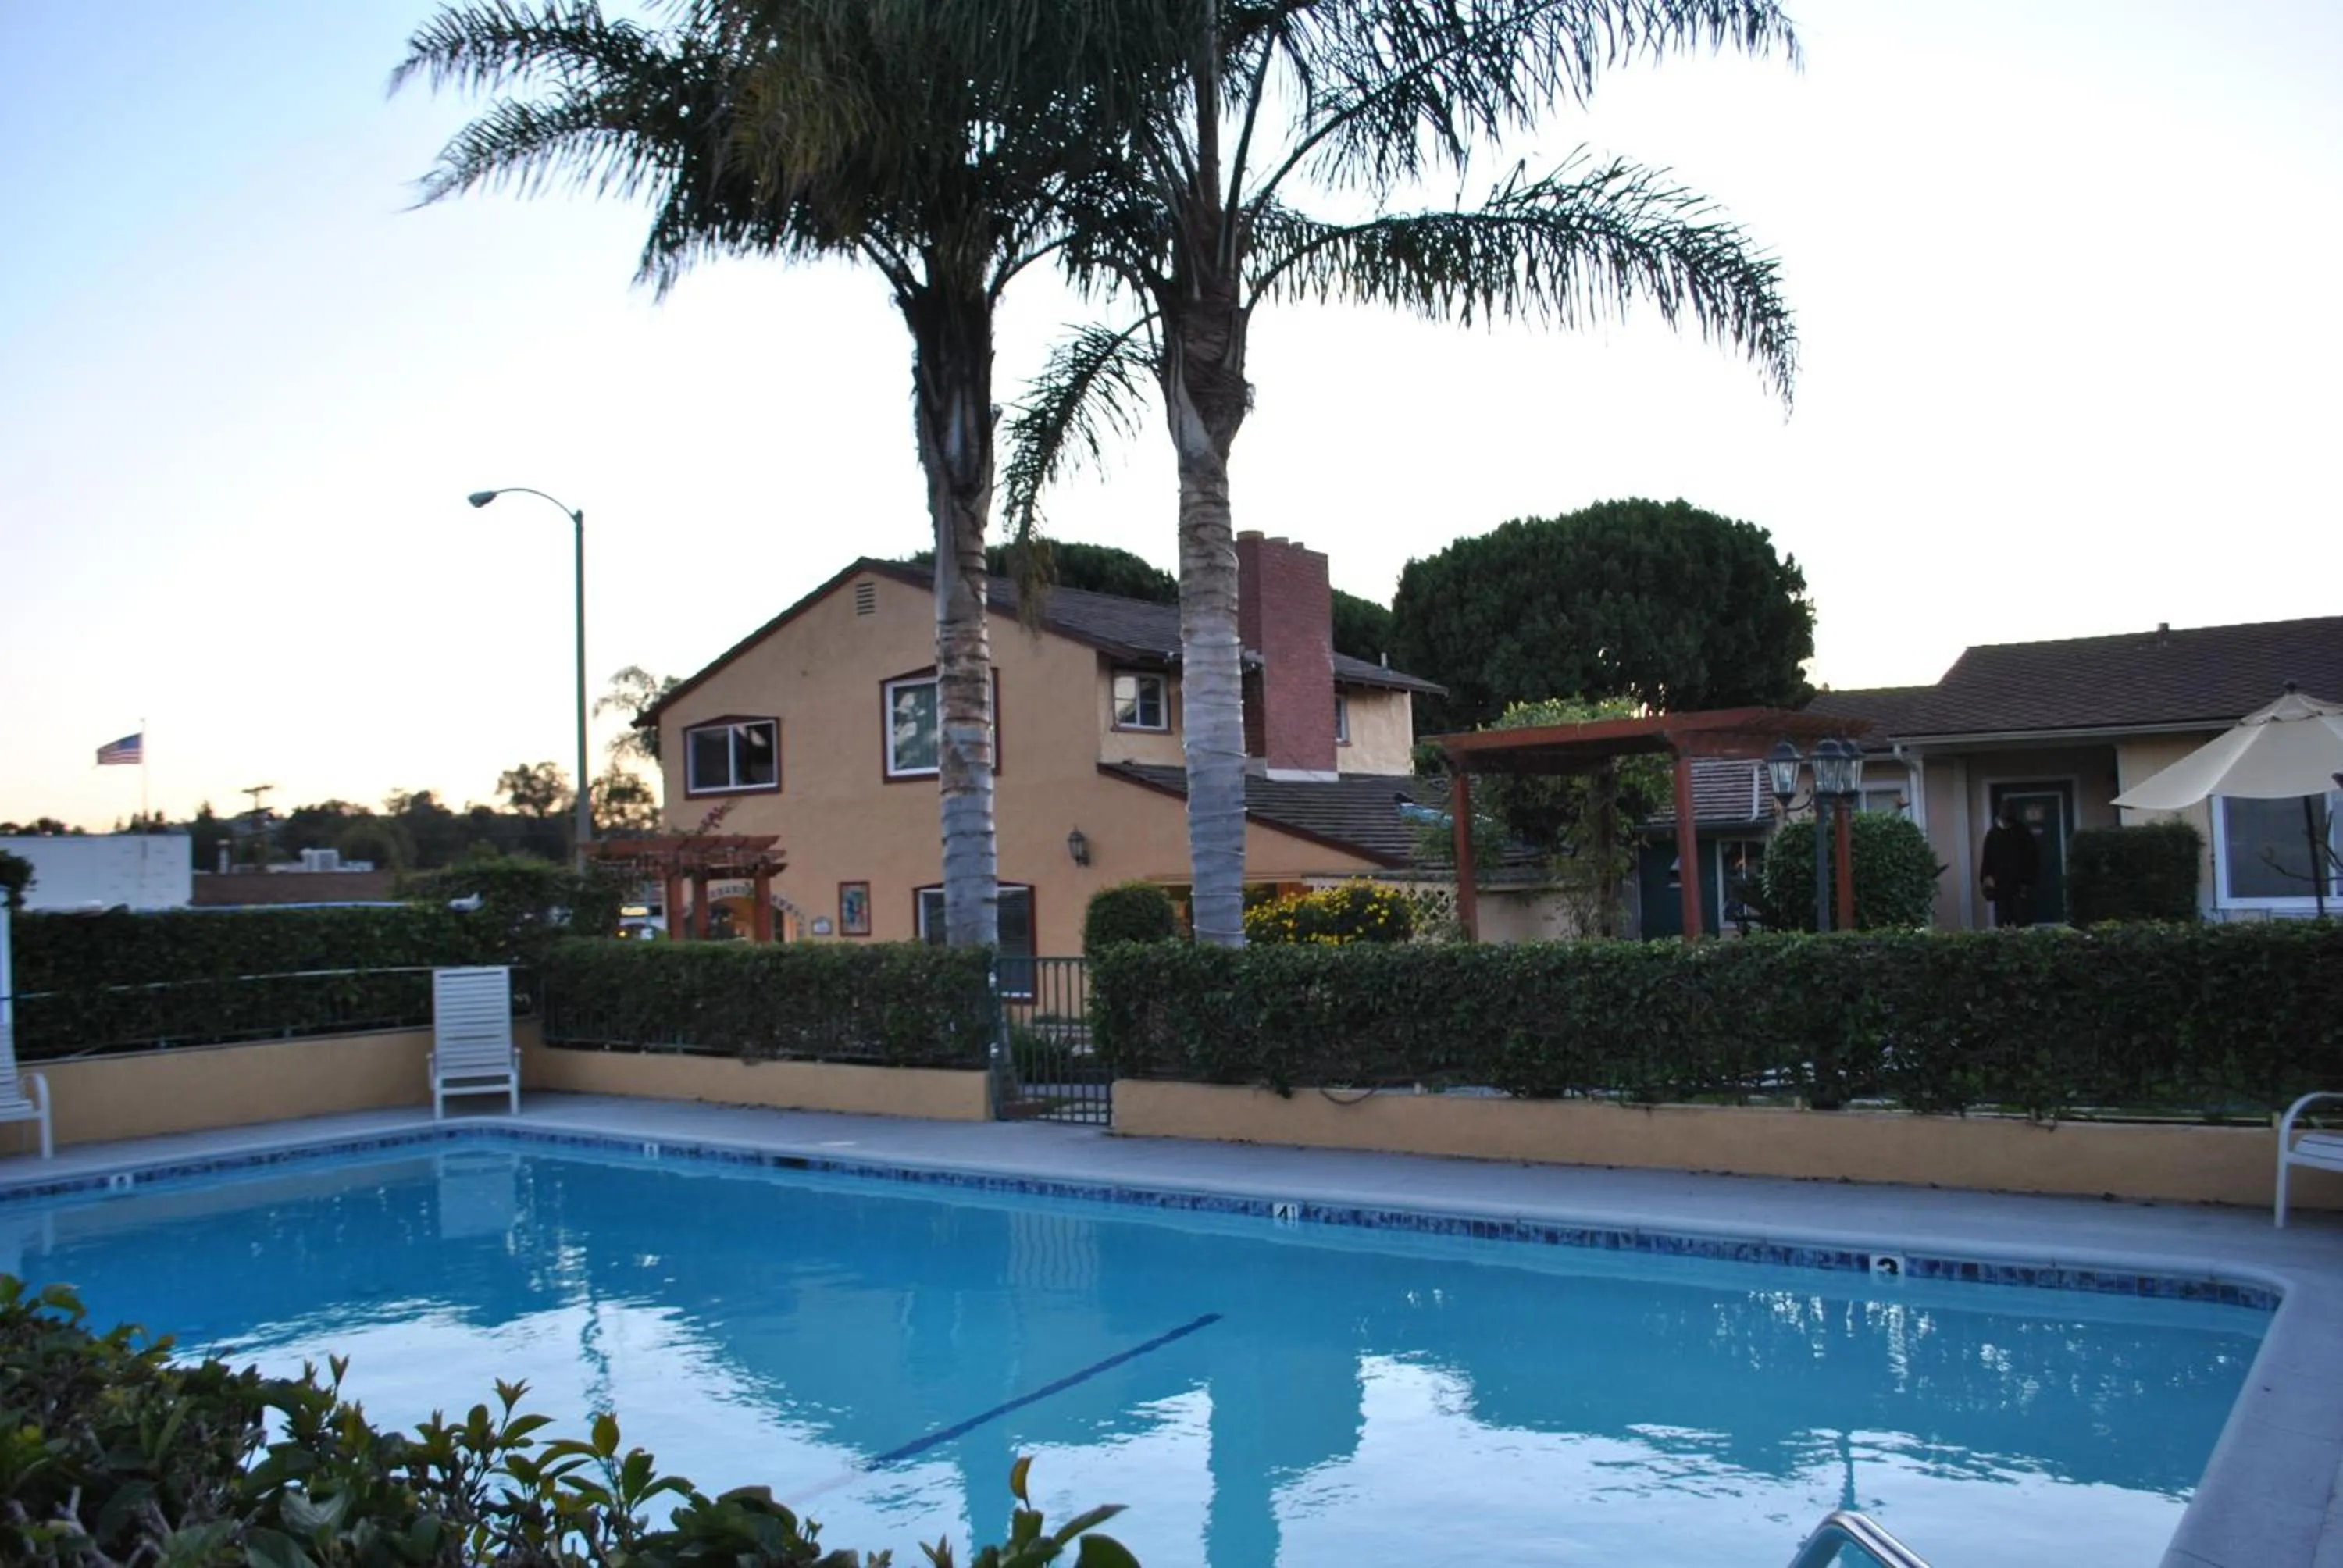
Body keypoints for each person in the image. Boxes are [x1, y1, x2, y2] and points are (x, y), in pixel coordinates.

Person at [1980, 805, 2040, 928]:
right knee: (2004, 920)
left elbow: (2032, 859)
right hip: (2002, 885)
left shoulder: (2021, 833)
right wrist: (1986, 878)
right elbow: (1987, 859)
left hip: (2018, 884)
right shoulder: (1994, 834)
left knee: (2021, 920)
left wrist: (2028, 881)